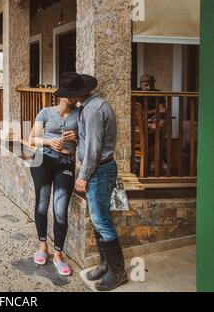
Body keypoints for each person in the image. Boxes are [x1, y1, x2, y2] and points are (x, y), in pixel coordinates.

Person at [67, 72, 128, 291]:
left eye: (70, 94)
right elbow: (91, 139)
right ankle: (105, 264)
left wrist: (83, 176)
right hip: (101, 169)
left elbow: (94, 148)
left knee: (102, 220)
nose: (68, 98)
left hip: (98, 171)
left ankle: (118, 272)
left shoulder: (92, 109)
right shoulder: (95, 105)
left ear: (79, 93)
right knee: (98, 218)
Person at [28, 74, 79, 277]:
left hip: (66, 162)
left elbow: (86, 139)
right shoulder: (46, 113)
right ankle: (43, 246)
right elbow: (32, 139)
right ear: (64, 95)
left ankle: (58, 255)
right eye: (73, 94)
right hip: (42, 160)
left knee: (60, 209)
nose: (76, 97)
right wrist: (50, 142)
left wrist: (77, 137)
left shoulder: (80, 114)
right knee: (42, 204)